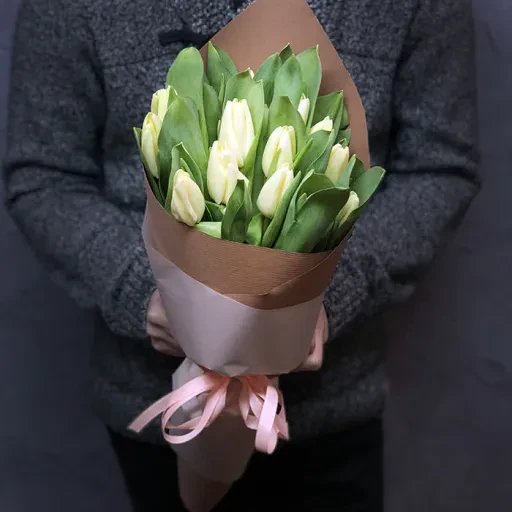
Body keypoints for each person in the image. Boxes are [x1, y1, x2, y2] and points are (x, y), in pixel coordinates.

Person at [3, 0, 479, 510]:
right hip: (157, 406)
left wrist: (323, 293)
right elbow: (45, 174)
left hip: (335, 410)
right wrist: (151, 290)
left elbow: (439, 168)